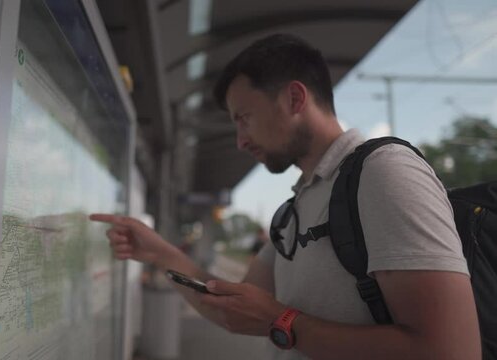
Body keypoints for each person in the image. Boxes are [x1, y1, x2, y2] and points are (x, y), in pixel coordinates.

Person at [90, 34, 480, 359]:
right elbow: (235, 311)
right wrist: (160, 253)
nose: (241, 141)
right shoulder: (290, 213)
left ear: (295, 99)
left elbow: (451, 350)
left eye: (244, 118)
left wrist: (283, 321)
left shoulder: (384, 171)